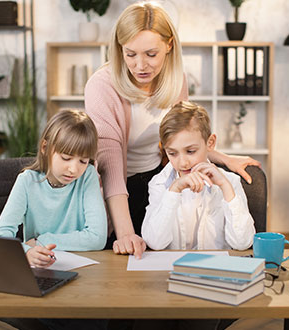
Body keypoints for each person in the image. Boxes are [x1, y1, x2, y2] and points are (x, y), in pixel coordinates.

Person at [85, 1, 260, 259]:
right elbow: (109, 166)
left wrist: (224, 159)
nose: (140, 65)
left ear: (169, 46)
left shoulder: (175, 79)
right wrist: (124, 233)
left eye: (151, 54)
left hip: (158, 179)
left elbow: (185, 135)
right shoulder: (102, 86)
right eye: (130, 54)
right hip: (117, 190)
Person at [0, 109, 108, 267]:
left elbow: (97, 238)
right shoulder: (27, 181)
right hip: (41, 269)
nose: (74, 169)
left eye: (83, 161)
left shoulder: (87, 176)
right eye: (66, 158)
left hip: (83, 270)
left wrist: (41, 241)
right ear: (45, 147)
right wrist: (26, 252)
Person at [141, 101, 256, 251]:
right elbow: (155, 243)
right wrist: (173, 190)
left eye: (190, 151)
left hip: (216, 270)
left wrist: (225, 187)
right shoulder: (159, 183)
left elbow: (243, 243)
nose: (183, 163)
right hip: (173, 270)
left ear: (210, 143)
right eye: (172, 153)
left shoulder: (230, 182)